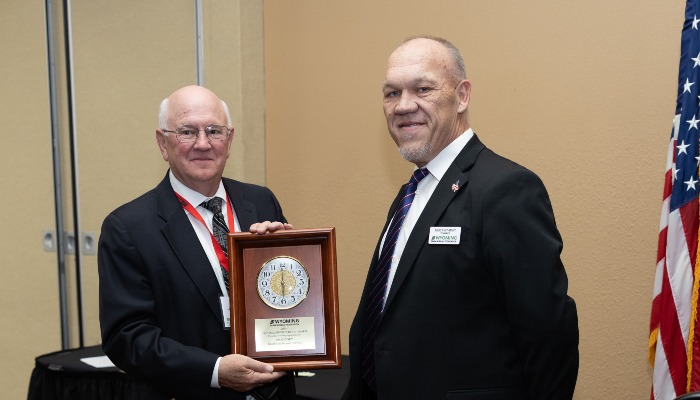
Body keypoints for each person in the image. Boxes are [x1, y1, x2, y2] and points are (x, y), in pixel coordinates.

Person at [342, 36, 579, 400]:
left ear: (462, 96)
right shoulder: (411, 194)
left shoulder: (505, 189)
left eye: (422, 88)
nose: (404, 106)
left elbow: (548, 338)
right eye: (391, 94)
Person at [98, 85, 296, 400]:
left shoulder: (260, 202)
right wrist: (215, 371)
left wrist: (287, 258)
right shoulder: (128, 228)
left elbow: (286, 297)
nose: (203, 144)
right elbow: (127, 339)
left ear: (229, 140)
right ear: (163, 143)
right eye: (187, 132)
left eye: (214, 131)